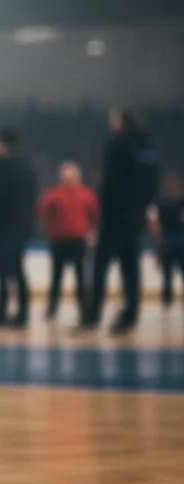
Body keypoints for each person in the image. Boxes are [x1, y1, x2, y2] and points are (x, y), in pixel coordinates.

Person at [83, 109, 160, 335]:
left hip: (115, 216)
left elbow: (111, 182)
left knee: (100, 265)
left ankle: (92, 315)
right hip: (136, 216)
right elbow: (152, 181)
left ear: (121, 122)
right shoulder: (147, 146)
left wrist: (103, 216)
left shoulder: (118, 144)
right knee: (131, 268)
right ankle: (131, 314)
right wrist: (143, 207)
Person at [0, 128, 38, 329]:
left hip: (5, 225)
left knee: (2, 271)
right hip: (22, 226)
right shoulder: (27, 166)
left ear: (1, 143)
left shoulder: (0, 166)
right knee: (18, 269)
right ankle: (22, 313)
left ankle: (1, 311)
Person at [38, 161, 99, 321]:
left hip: (78, 240)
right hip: (59, 240)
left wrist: (90, 232)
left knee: (81, 276)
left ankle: (83, 307)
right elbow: (44, 213)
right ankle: (52, 307)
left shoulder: (87, 194)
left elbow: (94, 215)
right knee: (56, 276)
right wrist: (50, 230)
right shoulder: (53, 195)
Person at [150, 173, 184, 309]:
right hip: (173, 244)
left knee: (168, 276)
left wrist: (158, 241)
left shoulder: (160, 204)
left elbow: (154, 225)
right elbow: (155, 225)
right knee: (168, 276)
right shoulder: (163, 204)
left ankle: (167, 303)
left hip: (172, 243)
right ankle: (167, 302)